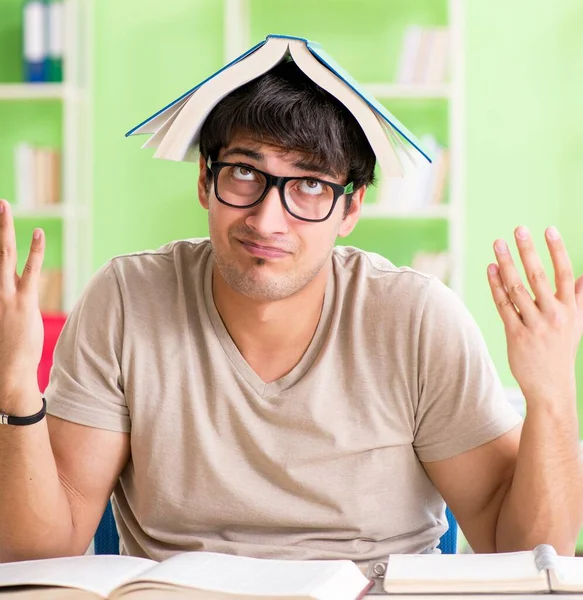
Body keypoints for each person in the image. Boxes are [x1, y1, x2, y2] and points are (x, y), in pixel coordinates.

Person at [0, 59, 582, 565]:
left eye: (308, 184)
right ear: (205, 180)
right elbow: (37, 553)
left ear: (350, 207)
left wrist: (553, 392)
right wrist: (15, 386)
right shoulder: (126, 298)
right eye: (246, 172)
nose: (266, 220)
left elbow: (524, 551)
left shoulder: (415, 316)